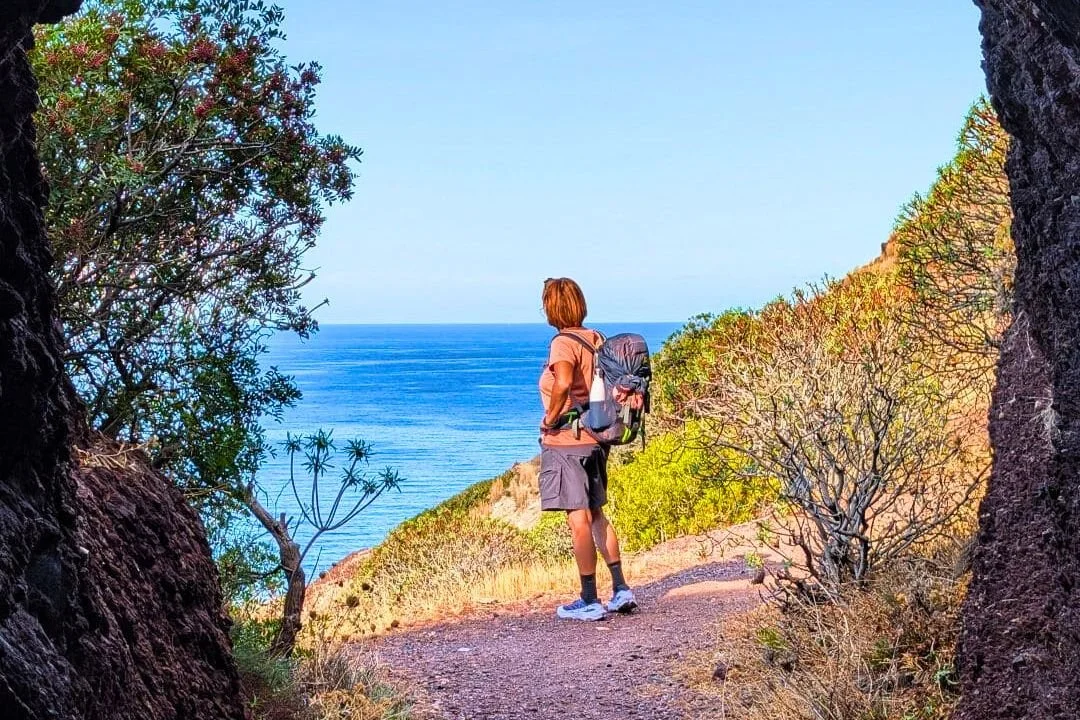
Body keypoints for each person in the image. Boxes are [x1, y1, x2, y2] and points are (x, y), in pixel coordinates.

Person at [538, 277, 636, 621]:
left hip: (569, 442)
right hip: (597, 440)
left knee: (577, 519)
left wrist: (550, 419)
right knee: (597, 514)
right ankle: (621, 588)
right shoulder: (597, 339)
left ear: (551, 308)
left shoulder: (563, 343)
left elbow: (564, 383)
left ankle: (589, 598)